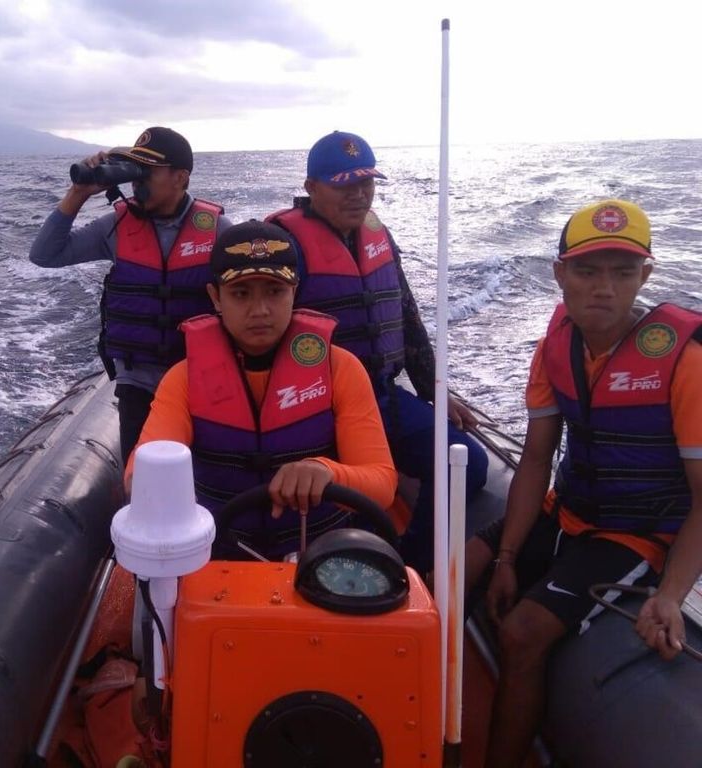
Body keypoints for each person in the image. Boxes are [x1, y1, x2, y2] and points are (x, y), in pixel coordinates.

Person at [466, 199, 702, 767]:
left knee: (523, 634)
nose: (605, 288)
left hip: (634, 534)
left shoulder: (685, 362)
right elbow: (536, 458)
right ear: (560, 274)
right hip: (564, 509)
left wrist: (669, 596)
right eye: (588, 270)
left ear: (644, 276)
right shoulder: (556, 348)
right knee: (442, 576)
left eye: (624, 273)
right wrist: (506, 557)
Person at [266, 130, 488, 571]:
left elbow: (405, 314)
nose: (360, 194)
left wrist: (435, 391)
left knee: (469, 465)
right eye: (345, 184)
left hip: (382, 397)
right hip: (312, 407)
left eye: (366, 183)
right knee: (327, 505)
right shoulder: (281, 243)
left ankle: (410, 567)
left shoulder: (377, 235)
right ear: (312, 188)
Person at [126, 220, 397, 559]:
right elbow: (141, 470)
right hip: (218, 557)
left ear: (294, 291)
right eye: (241, 293)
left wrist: (326, 471)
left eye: (274, 291)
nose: (260, 311)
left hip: (322, 560)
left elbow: (382, 484)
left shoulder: (341, 368)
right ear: (216, 297)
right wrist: (149, 491)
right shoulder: (183, 379)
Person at [29, 127, 232, 463]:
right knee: (141, 482)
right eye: (135, 170)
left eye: (147, 171)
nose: (137, 181)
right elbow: (45, 254)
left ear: (181, 178)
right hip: (138, 385)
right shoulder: (116, 226)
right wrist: (78, 193)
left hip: (201, 381)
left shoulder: (217, 231)